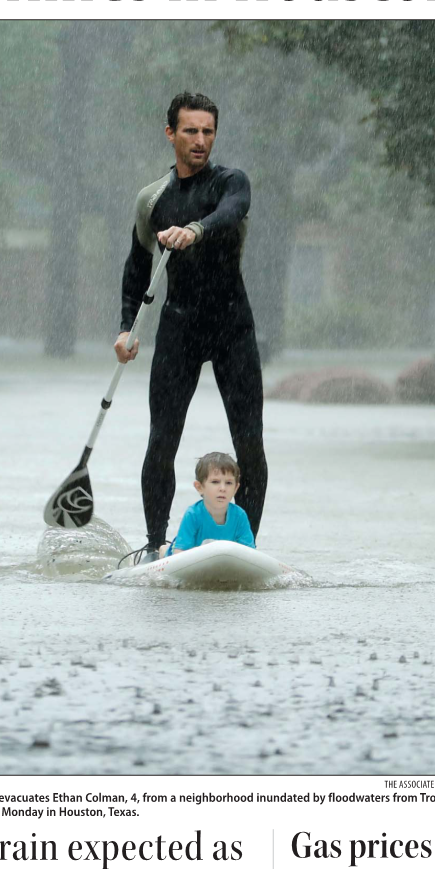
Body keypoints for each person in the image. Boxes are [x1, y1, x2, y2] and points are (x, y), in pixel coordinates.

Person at [115, 92, 267, 560]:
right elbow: (137, 268)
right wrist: (127, 328)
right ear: (170, 134)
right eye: (190, 131)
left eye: (208, 131)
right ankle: (157, 545)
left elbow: (231, 212)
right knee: (162, 438)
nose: (200, 140)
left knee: (249, 441)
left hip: (232, 327)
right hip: (179, 329)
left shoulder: (229, 183)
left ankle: (244, 546)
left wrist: (195, 230)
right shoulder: (152, 200)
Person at [167, 452, 256, 555]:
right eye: (215, 482)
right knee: (170, 549)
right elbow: (179, 554)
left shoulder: (239, 516)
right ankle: (163, 549)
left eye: (228, 483)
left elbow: (251, 554)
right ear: (199, 487)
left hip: (222, 560)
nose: (222, 488)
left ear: (236, 488)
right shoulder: (193, 515)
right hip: (189, 555)